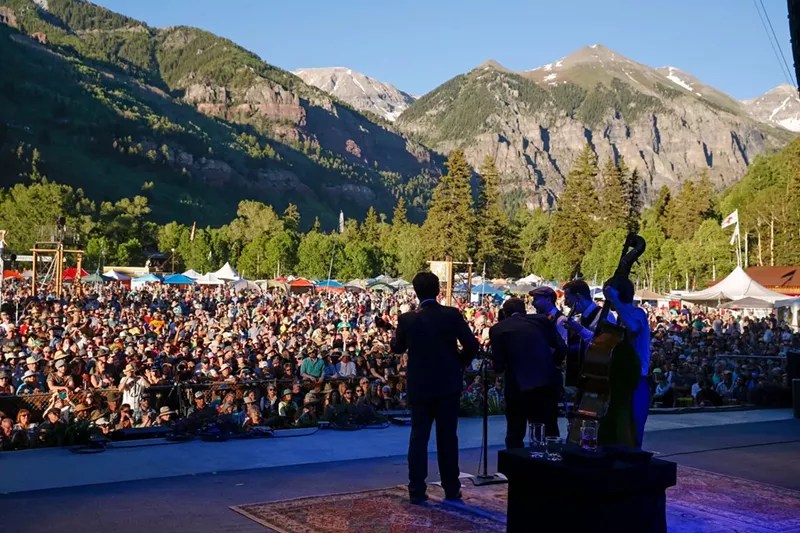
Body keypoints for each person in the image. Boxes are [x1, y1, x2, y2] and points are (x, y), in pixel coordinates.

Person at [390, 271, 479, 505]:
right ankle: (451, 488)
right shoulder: (451, 315)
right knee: (448, 438)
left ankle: (416, 490)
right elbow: (471, 344)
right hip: (448, 385)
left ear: (415, 292)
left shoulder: (407, 319)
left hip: (420, 385)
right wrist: (459, 362)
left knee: (418, 438)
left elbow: (397, 348)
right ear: (438, 290)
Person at [490, 297, 567, 447]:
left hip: (518, 386)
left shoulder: (499, 329)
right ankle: (550, 465)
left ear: (505, 313)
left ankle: (514, 467)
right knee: (549, 429)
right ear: (524, 311)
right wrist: (552, 364)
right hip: (547, 382)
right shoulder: (542, 321)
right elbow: (562, 348)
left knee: (515, 432)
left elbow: (498, 366)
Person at [603, 278, 651, 448]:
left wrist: (614, 299)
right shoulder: (620, 317)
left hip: (637, 380)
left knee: (633, 429)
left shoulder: (638, 313)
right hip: (622, 381)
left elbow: (634, 328)